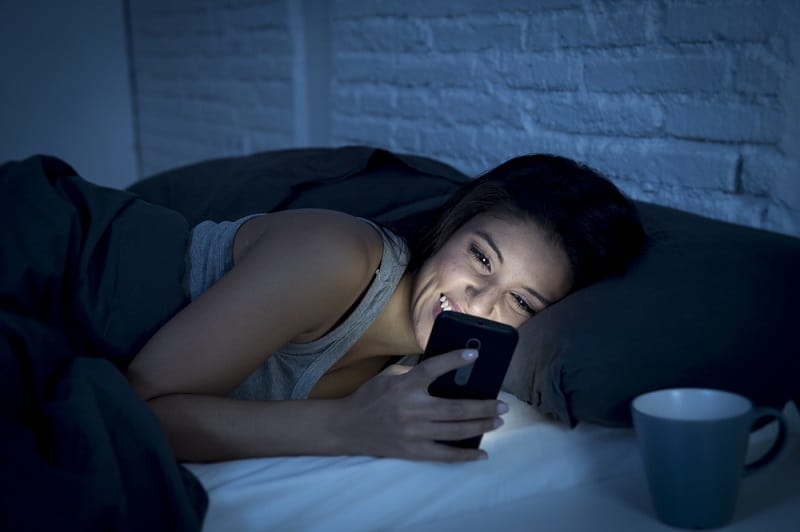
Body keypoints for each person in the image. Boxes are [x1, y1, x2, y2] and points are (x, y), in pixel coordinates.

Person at [125, 153, 645, 463]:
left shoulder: (426, 371)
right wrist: (344, 426)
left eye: (520, 300)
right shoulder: (335, 258)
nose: (477, 302)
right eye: (481, 257)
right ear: (453, 226)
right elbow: (133, 412)